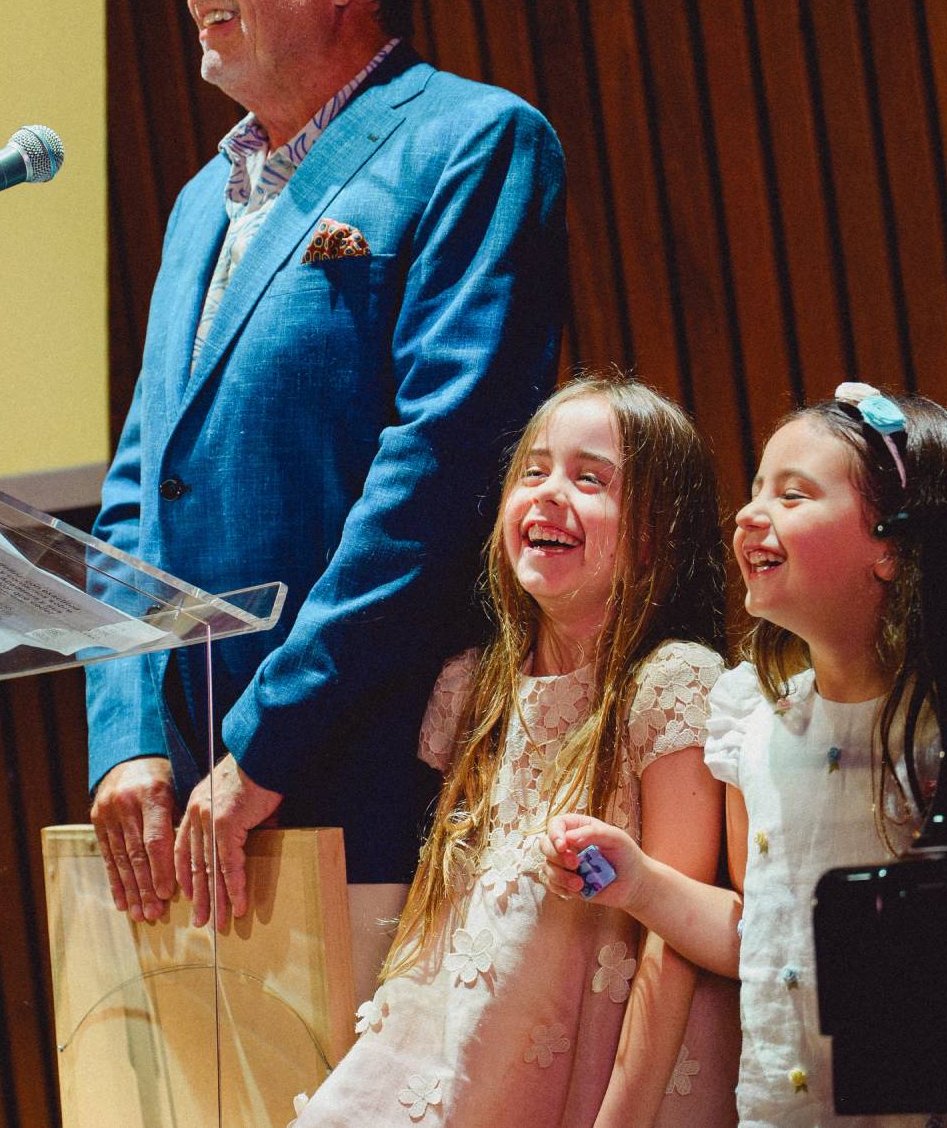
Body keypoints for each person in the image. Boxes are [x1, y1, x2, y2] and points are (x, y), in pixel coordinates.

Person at [84, 0, 568, 1001]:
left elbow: (435, 475)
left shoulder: (470, 142)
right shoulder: (199, 204)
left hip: (364, 779)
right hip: (180, 810)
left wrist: (269, 740)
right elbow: (139, 490)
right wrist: (127, 733)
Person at [545, 383, 947, 1126]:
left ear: (892, 547)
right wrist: (638, 881)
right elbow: (756, 930)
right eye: (757, 488)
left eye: (792, 495)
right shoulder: (751, 719)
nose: (749, 514)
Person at [294, 375, 740, 1127]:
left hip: (605, 1071)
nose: (549, 493)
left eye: (590, 479)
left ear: (655, 535)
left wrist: (622, 1118)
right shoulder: (475, 684)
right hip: (474, 1049)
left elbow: (674, 938)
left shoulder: (671, 683)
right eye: (533, 471)